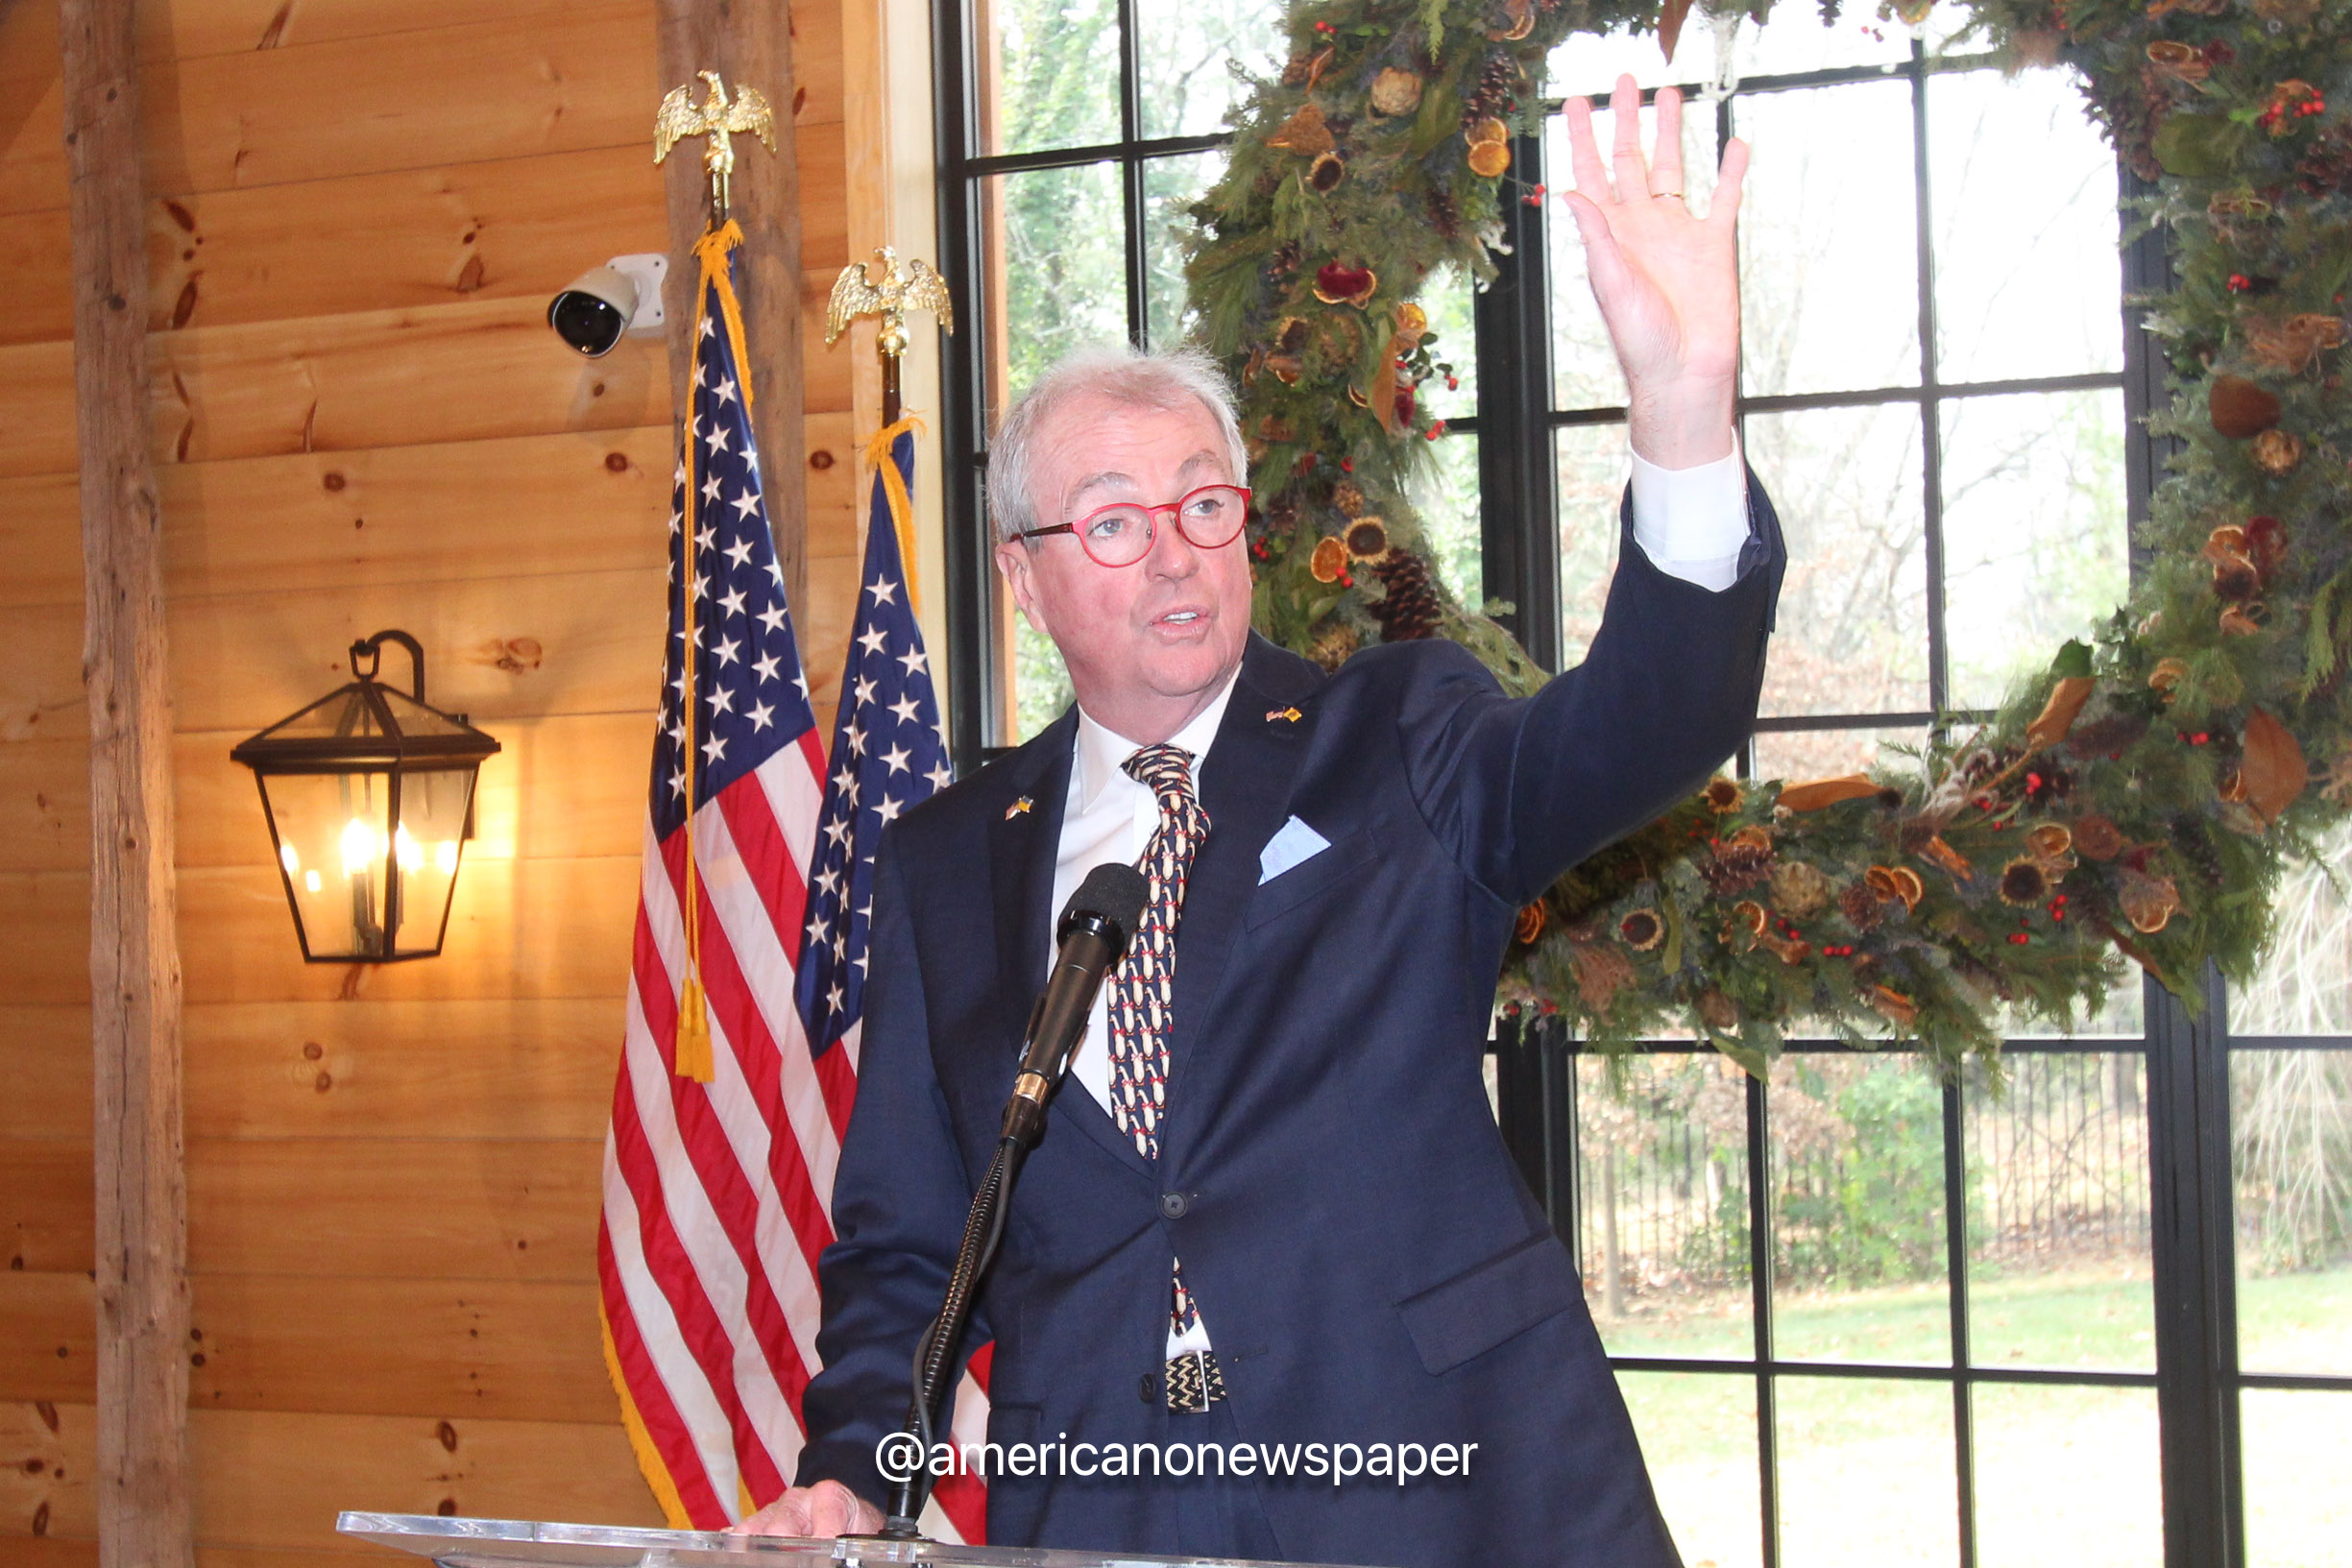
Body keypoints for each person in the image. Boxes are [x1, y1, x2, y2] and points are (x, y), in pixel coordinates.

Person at [742, 76, 1784, 1566]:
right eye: (1111, 519)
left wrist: (1684, 419)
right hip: (1101, 1509)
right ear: (1024, 581)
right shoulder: (945, 863)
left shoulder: (1397, 734)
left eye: (1204, 504)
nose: (1172, 553)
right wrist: (859, 1469)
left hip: (1447, 1483)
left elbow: (1648, 724)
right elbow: (907, 1238)